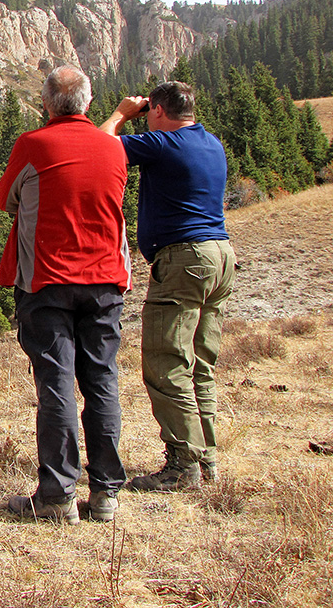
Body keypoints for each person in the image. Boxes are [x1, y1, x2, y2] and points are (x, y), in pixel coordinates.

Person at [0, 65, 131, 524]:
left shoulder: (32, 145)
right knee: (102, 379)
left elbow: (7, 200)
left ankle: (57, 497)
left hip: (47, 282)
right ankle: (106, 496)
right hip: (106, 282)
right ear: (88, 104)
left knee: (56, 382)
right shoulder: (113, 150)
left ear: (46, 105)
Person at [100, 81, 235, 491]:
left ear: (157, 109)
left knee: (166, 362)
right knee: (201, 364)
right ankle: (206, 459)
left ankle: (183, 465)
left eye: (149, 110)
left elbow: (100, 148)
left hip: (183, 261)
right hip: (221, 256)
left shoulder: (163, 144)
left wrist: (123, 114)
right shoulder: (211, 143)